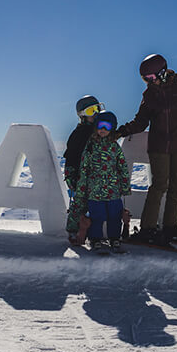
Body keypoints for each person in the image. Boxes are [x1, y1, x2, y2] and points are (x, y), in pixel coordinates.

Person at [115, 53, 177, 245]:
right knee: (159, 185)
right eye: (145, 79)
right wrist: (121, 131)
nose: (148, 82)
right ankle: (147, 229)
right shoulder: (149, 95)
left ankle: (170, 228)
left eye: (151, 78)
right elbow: (141, 121)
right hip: (158, 146)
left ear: (162, 73)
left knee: (176, 186)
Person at [74, 111, 132, 252]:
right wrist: (82, 187)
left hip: (113, 191)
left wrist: (125, 186)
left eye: (107, 126)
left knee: (114, 216)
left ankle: (114, 238)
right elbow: (84, 168)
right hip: (95, 191)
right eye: (100, 125)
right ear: (96, 126)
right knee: (97, 216)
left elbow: (122, 167)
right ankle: (95, 239)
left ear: (112, 128)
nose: (103, 130)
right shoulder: (91, 146)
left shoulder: (114, 147)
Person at [64, 95, 104, 245]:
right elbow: (71, 155)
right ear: (82, 116)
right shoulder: (78, 134)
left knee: (98, 204)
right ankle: (73, 231)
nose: (95, 113)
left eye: (97, 108)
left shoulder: (103, 131)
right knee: (79, 203)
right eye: (90, 111)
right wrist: (70, 173)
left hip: (100, 175)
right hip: (82, 176)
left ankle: (95, 233)